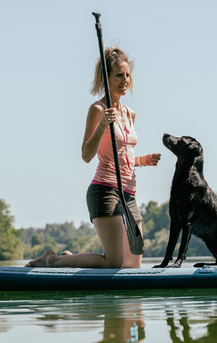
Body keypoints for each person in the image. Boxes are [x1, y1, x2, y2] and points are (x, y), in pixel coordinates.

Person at [25, 47, 161, 269]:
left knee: (133, 266)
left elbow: (121, 155)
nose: (125, 80)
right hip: (105, 190)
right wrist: (103, 126)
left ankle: (70, 257)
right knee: (114, 262)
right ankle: (52, 260)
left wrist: (141, 161)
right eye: (119, 75)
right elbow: (86, 155)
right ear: (105, 79)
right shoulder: (98, 109)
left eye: (127, 75)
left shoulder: (130, 113)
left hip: (129, 193)